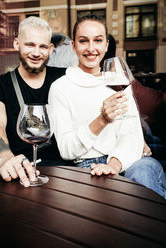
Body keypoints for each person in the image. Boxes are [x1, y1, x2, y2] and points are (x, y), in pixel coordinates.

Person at [48, 14, 166, 199]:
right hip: (88, 168)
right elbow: (66, 149)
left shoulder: (117, 82)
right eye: (83, 41)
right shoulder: (60, 88)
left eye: (98, 40)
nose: (91, 48)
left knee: (144, 172)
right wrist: (102, 120)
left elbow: (131, 134)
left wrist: (113, 166)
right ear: (73, 46)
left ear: (106, 46)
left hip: (128, 161)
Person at [0, 16, 68, 186]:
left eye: (42, 46)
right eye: (30, 44)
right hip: (15, 163)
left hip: (58, 167)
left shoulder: (65, 77)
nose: (36, 53)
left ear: (50, 49)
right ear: (16, 44)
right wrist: (5, 157)